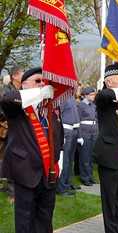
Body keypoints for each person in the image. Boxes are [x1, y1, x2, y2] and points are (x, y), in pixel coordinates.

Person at [0, 67, 64, 232]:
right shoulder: (17, 108)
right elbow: (6, 99)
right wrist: (40, 94)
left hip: (48, 172)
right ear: (25, 85)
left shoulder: (51, 108)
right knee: (25, 221)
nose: (42, 84)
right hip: (26, 170)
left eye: (44, 82)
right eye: (38, 81)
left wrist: (59, 159)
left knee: (45, 219)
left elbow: (59, 135)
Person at [92, 63, 118, 233]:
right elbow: (102, 97)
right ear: (109, 82)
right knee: (110, 197)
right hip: (109, 156)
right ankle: (111, 230)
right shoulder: (104, 98)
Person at [0, 66, 25, 203]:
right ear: (14, 76)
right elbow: (1, 112)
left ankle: (22, 189)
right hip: (8, 131)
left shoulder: (25, 91)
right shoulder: (4, 92)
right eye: (23, 73)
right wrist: (15, 113)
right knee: (10, 160)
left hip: (22, 130)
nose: (25, 75)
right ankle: (12, 193)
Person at [56, 96, 82, 196]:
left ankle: (66, 183)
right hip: (65, 130)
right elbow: (58, 115)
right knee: (64, 161)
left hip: (71, 130)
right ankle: (61, 187)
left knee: (69, 160)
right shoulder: (62, 98)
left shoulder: (70, 97)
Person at [77, 86, 99, 185]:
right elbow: (78, 121)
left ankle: (90, 176)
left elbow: (96, 119)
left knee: (91, 156)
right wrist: (79, 135)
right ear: (85, 95)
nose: (93, 96)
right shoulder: (81, 106)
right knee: (84, 156)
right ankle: (84, 177)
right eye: (91, 94)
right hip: (85, 132)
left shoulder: (93, 106)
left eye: (94, 94)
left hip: (94, 132)